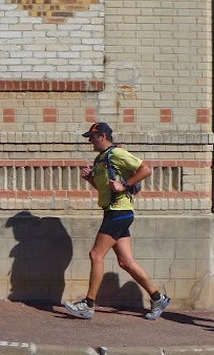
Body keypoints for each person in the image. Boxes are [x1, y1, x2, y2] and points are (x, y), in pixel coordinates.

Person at [63, 122, 170, 320]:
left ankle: (88, 304)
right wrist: (91, 181)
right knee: (126, 261)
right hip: (115, 211)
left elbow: (146, 169)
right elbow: (107, 188)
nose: (90, 141)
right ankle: (158, 297)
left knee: (96, 255)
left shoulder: (117, 153)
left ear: (102, 136)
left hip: (118, 211)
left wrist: (125, 185)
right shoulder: (101, 158)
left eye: (92, 137)